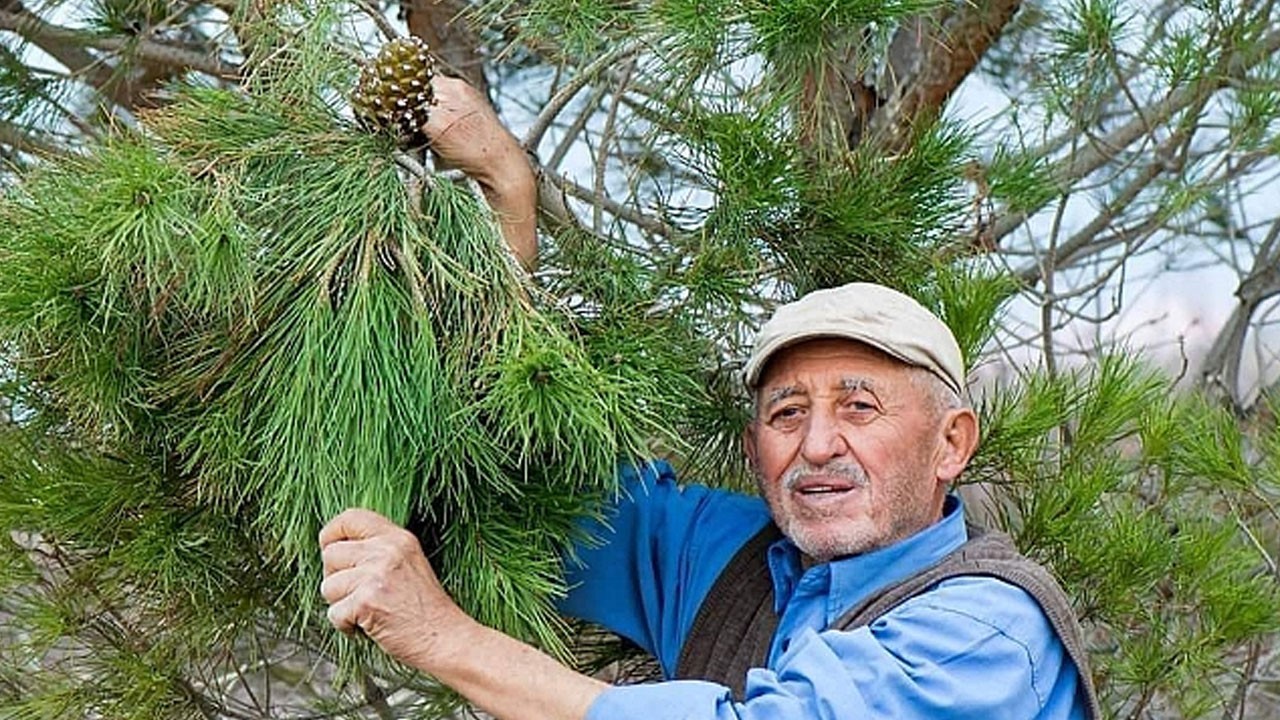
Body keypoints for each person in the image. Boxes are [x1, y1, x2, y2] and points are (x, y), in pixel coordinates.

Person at [319, 75, 1101, 720]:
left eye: (860, 407)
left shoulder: (989, 632)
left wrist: (441, 636)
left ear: (951, 443)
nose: (817, 444)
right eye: (787, 413)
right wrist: (506, 197)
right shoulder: (722, 556)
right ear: (753, 446)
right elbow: (510, 473)